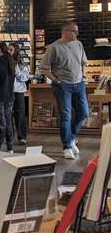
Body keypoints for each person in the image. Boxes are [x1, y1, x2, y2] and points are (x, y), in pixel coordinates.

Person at [39, 20, 88, 160]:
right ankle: (67, 146)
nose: (77, 33)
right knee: (66, 116)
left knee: (84, 113)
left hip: (79, 84)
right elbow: (44, 68)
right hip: (63, 86)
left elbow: (83, 62)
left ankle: (71, 138)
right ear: (65, 32)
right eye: (74, 31)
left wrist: (83, 76)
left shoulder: (78, 44)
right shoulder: (54, 47)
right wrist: (55, 80)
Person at [7, 43, 30, 145]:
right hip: (7, 92)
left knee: (20, 114)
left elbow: (25, 78)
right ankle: (9, 136)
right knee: (7, 115)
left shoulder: (21, 64)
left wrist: (17, 73)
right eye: (8, 50)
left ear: (16, 51)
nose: (9, 52)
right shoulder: (3, 63)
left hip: (19, 92)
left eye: (11, 50)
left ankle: (22, 136)